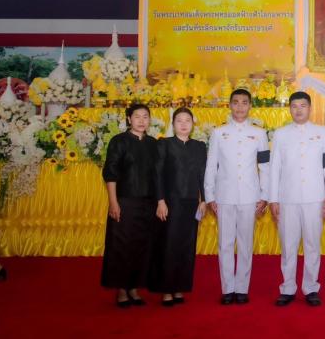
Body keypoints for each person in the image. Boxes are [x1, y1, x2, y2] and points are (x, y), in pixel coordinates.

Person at [269, 91, 325, 307]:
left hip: (315, 197)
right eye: (294, 106)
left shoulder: (322, 133)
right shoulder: (280, 134)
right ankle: (287, 288)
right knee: (288, 245)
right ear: (290, 109)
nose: (298, 110)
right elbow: (274, 168)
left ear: (310, 108)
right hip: (287, 198)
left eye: (303, 106)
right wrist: (273, 198)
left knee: (312, 244)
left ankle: (311, 288)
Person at [204, 89, 269, 305]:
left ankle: (241, 288)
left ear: (250, 106)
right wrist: (210, 195)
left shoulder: (259, 133)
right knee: (225, 243)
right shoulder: (219, 133)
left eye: (244, 102)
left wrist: (265, 195)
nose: (240, 106)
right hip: (224, 195)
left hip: (250, 195)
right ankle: (227, 289)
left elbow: (265, 166)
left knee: (245, 243)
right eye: (236, 102)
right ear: (229, 105)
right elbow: (211, 166)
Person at [101, 103, 159, 307]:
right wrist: (113, 202)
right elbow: (110, 173)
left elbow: (158, 175)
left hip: (148, 203)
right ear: (128, 119)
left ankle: (134, 287)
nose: (142, 121)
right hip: (125, 201)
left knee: (142, 246)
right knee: (122, 246)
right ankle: (121, 289)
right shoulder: (119, 141)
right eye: (137, 117)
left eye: (145, 117)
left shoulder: (153, 144)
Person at [149, 107, 207, 306]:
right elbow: (157, 174)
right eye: (179, 121)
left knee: (186, 246)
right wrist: (160, 200)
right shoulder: (164, 144)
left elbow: (203, 175)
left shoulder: (199, 146)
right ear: (173, 124)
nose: (183, 124)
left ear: (193, 124)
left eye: (187, 120)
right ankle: (166, 289)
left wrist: (204, 199)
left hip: (191, 203)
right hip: (170, 203)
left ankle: (180, 287)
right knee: (168, 245)